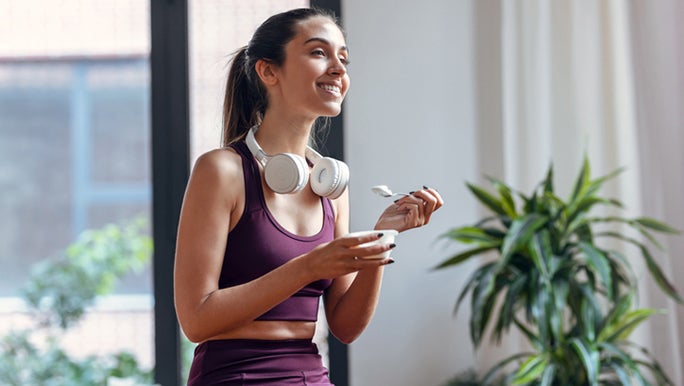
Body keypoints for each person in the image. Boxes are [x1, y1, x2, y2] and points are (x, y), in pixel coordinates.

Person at [174, 7, 444, 385]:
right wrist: (309, 267)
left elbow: (346, 327)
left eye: (343, 58)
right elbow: (196, 319)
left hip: (310, 376)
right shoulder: (222, 171)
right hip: (233, 376)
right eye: (319, 52)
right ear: (269, 71)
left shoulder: (331, 187)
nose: (338, 69)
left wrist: (385, 236)